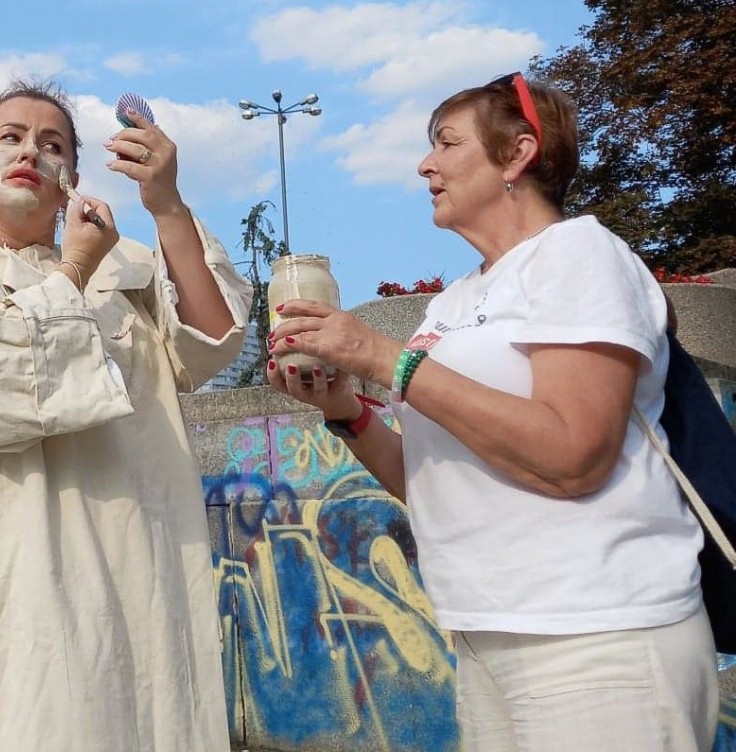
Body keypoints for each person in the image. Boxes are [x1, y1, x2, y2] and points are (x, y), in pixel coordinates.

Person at [266, 73, 718, 751]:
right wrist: (345, 410)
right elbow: (431, 480)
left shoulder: (579, 255)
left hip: (596, 636)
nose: (425, 164)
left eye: (446, 143)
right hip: (485, 634)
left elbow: (574, 457)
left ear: (518, 155)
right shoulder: (451, 304)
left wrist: (383, 357)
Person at [0, 81, 251, 752]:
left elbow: (212, 340)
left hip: (142, 572)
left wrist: (165, 207)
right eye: (10, 136)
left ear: (72, 178)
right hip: (17, 587)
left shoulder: (125, 266)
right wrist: (75, 263)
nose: (31, 151)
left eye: (53, 145)